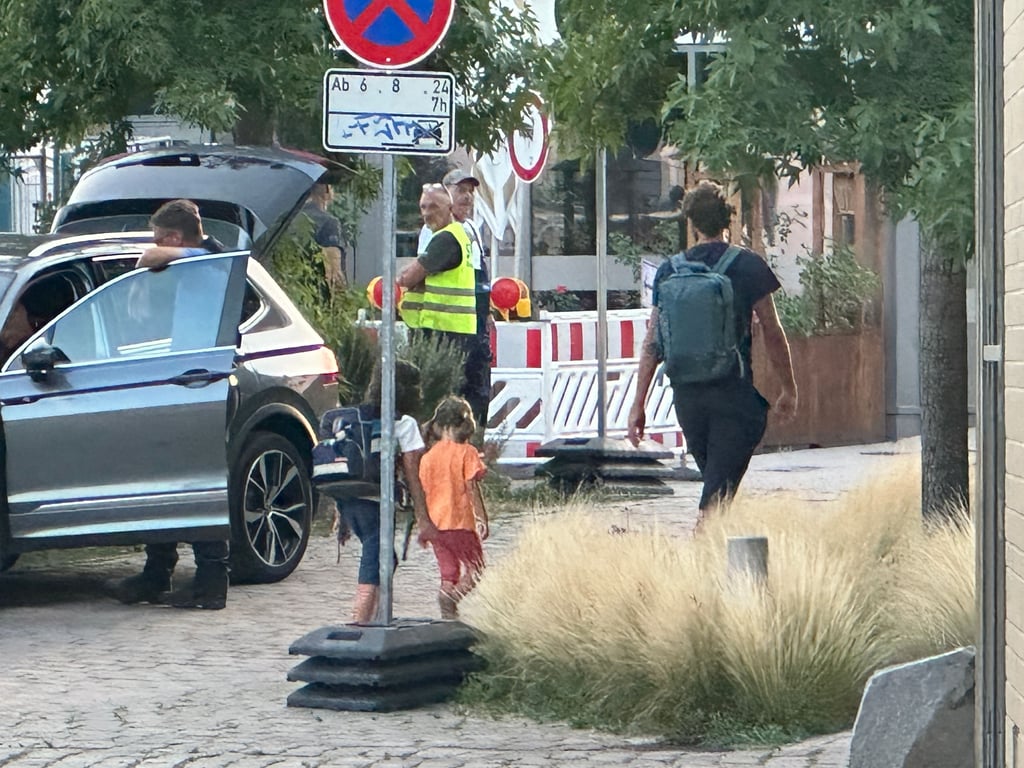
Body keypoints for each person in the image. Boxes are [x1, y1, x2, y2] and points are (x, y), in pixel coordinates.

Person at [627, 181, 798, 523]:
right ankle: (702, 561)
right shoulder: (748, 266)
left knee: (717, 490)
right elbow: (773, 331)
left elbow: (653, 342)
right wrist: (788, 387)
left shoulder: (669, 271)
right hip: (732, 396)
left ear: (690, 223)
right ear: (727, 220)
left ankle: (721, 563)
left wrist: (638, 404)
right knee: (715, 502)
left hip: (688, 398)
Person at [111, 198, 232, 610]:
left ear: (174, 238)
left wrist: (149, 262)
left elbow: (149, 256)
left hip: (202, 384)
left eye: (158, 235)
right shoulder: (202, 256)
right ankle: (157, 573)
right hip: (182, 377)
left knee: (198, 480)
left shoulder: (210, 259)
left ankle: (211, 581)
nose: (153, 242)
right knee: (164, 477)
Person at [335, 360, 436, 623]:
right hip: (376, 502)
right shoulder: (404, 423)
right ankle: (357, 625)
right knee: (374, 563)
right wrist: (424, 518)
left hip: (349, 500)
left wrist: (341, 516)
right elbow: (413, 473)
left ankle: (375, 621)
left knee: (385, 559)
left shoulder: (356, 417)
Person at [398, 183, 490, 429]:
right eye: (423, 207)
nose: (427, 213)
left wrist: (405, 277)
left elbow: (408, 278)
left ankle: (450, 455)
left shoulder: (446, 238)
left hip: (445, 332)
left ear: (449, 208)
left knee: (446, 400)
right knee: (470, 397)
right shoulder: (462, 233)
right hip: (461, 329)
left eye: (434, 207)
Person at [419, 395, 489, 619]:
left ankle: (448, 615)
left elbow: (422, 493)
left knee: (448, 573)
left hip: (436, 526)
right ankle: (453, 599)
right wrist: (481, 517)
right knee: (476, 569)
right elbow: (471, 488)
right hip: (460, 523)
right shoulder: (466, 452)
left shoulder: (428, 457)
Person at [301, 181, 347, 291]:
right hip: (317, 288)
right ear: (326, 190)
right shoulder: (329, 222)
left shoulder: (289, 219)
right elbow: (334, 270)